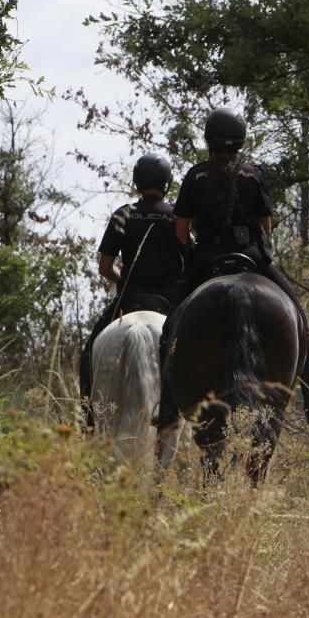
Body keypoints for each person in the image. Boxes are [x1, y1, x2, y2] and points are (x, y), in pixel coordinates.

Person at [157, 107, 309, 428]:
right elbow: (266, 226)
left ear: (208, 141)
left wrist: (197, 245)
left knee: (170, 328)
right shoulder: (253, 174)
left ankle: (167, 406)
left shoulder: (194, 176)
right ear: (240, 141)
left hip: (207, 260)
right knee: (301, 319)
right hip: (252, 257)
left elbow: (181, 232)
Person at [79, 153, 185, 427]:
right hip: (171, 305)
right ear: (166, 183)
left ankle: (89, 420)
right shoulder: (176, 216)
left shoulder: (122, 215)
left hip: (129, 301)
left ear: (137, 182)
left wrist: (122, 280)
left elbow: (105, 267)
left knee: (88, 352)